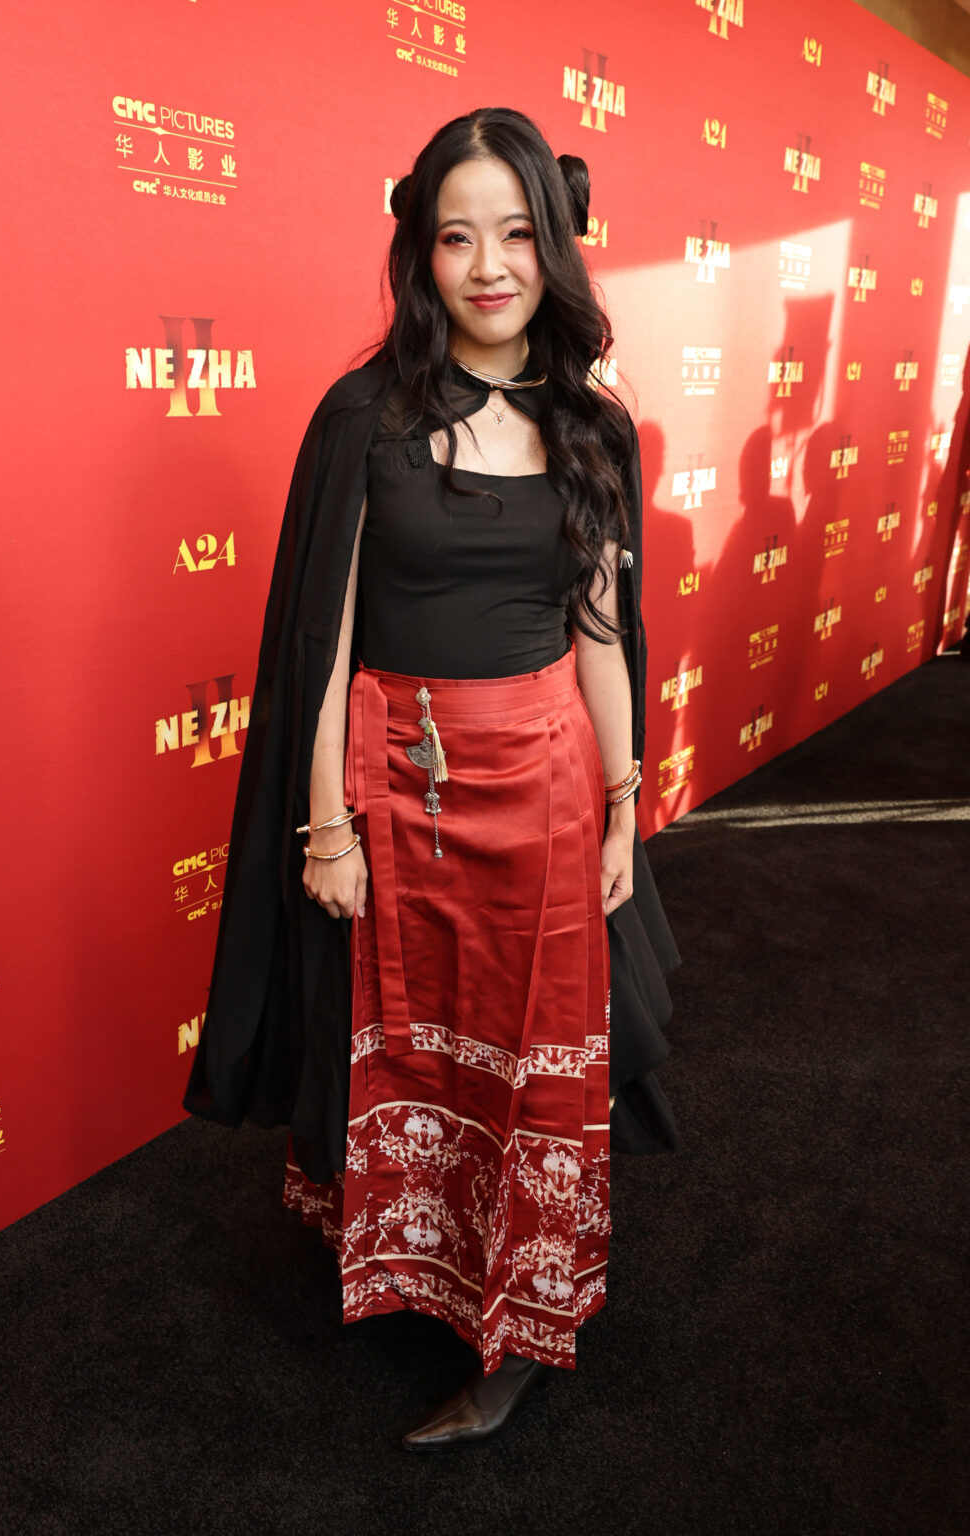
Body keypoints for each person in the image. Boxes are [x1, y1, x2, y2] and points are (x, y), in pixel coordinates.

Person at [183, 106, 680, 1450]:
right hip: (392, 789)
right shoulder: (367, 418)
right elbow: (324, 640)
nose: (489, 266)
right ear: (421, 254)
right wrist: (327, 825)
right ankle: (411, 1264)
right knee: (404, 1035)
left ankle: (519, 1327)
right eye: (457, 236)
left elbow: (599, 633)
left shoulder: (593, 425)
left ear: (556, 248)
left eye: (517, 234)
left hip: (554, 789)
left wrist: (630, 802)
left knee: (528, 1055)